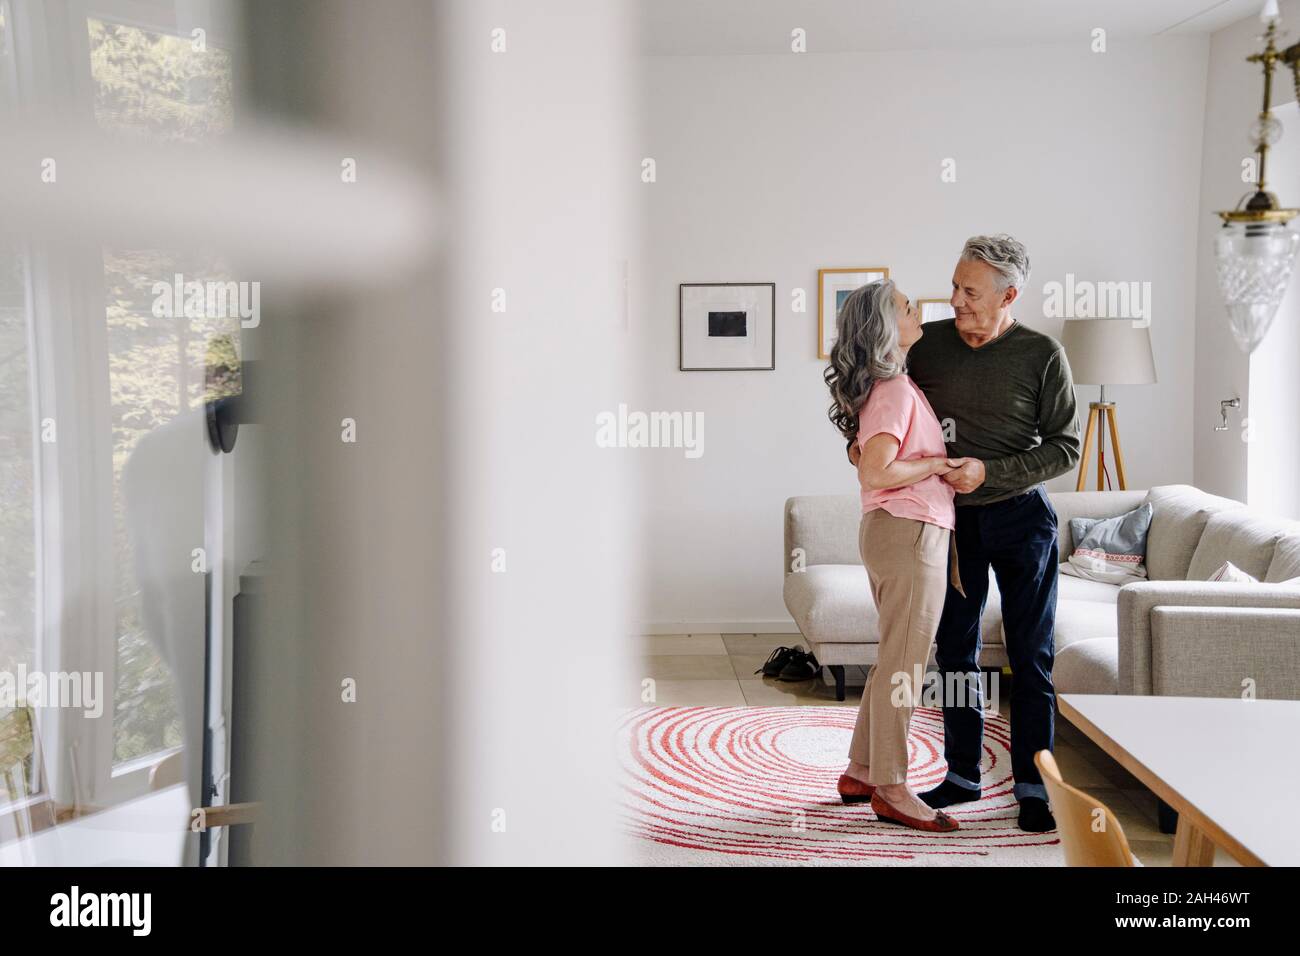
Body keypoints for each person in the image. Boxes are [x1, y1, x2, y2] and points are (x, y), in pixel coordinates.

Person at [853, 235, 1081, 833]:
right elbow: (878, 399)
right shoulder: (928, 347)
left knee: (1031, 655)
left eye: (969, 291)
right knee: (956, 651)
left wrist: (994, 472)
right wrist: (857, 445)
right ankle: (961, 773)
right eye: (954, 285)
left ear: (1009, 294)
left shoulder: (1042, 354)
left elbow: (1066, 447)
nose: (953, 300)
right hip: (950, 522)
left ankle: (1035, 785)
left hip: (1022, 517)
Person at [825, 278, 967, 833]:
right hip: (909, 532)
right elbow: (875, 469)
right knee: (905, 664)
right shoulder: (896, 390)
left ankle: (863, 772)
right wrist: (935, 466)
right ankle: (893, 787)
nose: (919, 311)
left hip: (902, 531)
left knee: (893, 658)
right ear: (887, 327)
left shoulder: (896, 386)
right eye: (908, 307)